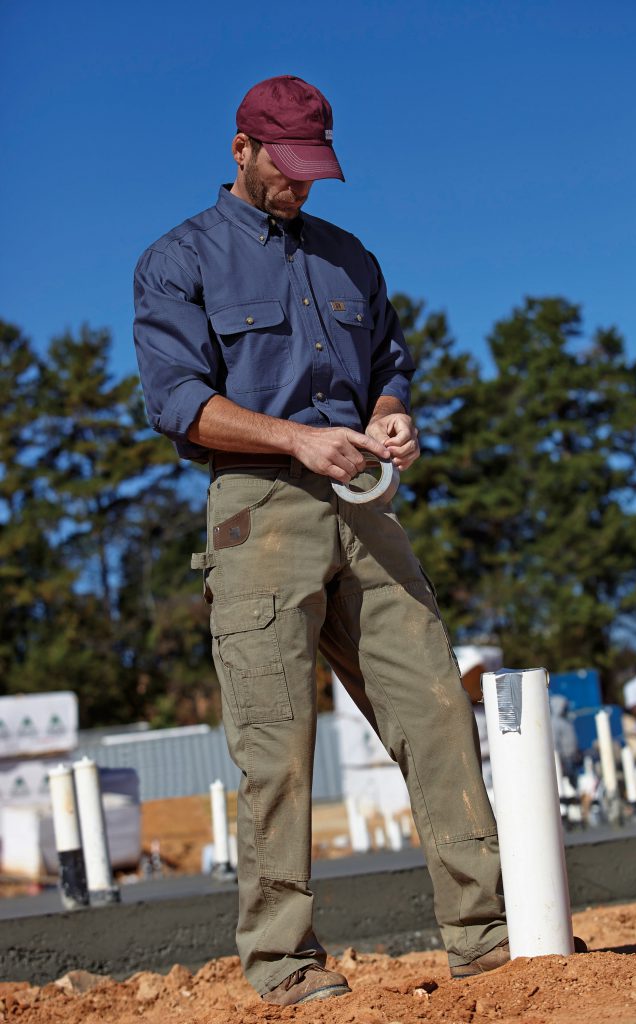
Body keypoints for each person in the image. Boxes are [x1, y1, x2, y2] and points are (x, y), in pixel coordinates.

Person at [133, 74, 508, 1005]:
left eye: (314, 169)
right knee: (276, 743)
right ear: (241, 149)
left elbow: (389, 363)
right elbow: (175, 401)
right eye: (285, 167)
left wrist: (390, 413)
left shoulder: (349, 258)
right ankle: (283, 962)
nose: (299, 185)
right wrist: (293, 438)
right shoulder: (177, 260)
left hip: (365, 506)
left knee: (436, 711)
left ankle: (486, 939)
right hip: (257, 508)